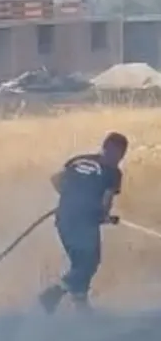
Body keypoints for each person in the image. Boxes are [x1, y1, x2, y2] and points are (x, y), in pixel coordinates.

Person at [38, 131, 127, 314]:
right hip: (84, 223)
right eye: (119, 154)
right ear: (115, 152)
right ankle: (54, 293)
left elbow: (56, 179)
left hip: (63, 219)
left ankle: (81, 307)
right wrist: (104, 216)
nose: (118, 159)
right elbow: (107, 199)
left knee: (80, 265)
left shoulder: (78, 160)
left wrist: (69, 198)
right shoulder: (112, 173)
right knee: (89, 263)